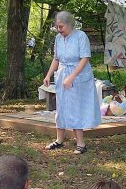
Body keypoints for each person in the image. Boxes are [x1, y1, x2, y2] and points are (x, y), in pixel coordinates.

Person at [43, 11, 101, 154]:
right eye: (57, 27)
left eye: (61, 27)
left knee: (76, 108)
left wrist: (72, 77)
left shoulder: (81, 36)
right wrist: (48, 74)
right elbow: (56, 59)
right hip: (63, 74)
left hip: (79, 76)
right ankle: (59, 140)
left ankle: (81, 143)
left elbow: (85, 58)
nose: (58, 30)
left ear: (69, 24)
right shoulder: (58, 38)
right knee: (61, 106)